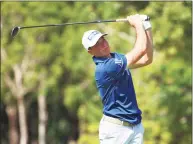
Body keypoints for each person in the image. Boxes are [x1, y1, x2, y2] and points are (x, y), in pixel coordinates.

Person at [82, 14, 153, 144]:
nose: (102, 44)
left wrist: (147, 26)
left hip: (135, 126)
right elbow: (141, 48)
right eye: (96, 44)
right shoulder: (106, 67)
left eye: (102, 39)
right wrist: (137, 24)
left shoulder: (116, 59)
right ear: (90, 51)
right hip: (116, 130)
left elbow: (147, 59)